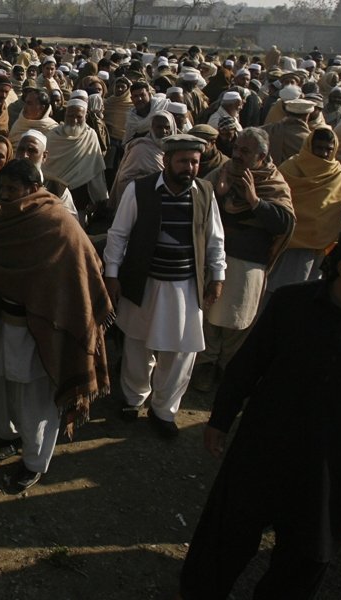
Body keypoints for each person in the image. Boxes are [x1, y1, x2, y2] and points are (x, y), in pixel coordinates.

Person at [180, 224, 341, 600]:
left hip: (336, 466)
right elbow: (249, 364)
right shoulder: (292, 304)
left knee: (305, 559)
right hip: (264, 447)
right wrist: (221, 419)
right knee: (225, 540)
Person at [0, 159, 111, 492]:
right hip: (7, 323)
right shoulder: (3, 221)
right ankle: (11, 437)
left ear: (33, 189)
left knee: (38, 399)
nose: (5, 196)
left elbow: (81, 275)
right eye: (3, 189)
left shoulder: (57, 224)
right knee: (8, 387)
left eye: (13, 190)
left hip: (46, 328)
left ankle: (34, 463)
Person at [103, 134, 226, 439]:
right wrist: (112, 274)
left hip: (185, 287)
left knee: (180, 352)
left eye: (195, 162)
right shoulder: (140, 190)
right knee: (137, 343)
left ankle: (164, 410)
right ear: (168, 160)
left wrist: (218, 276)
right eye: (183, 161)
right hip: (144, 282)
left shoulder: (204, 193)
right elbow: (118, 235)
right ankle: (134, 399)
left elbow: (215, 239)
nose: (189, 167)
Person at [193, 128, 294, 391]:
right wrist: (219, 191)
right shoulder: (223, 172)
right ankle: (206, 364)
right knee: (208, 314)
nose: (237, 155)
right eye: (236, 148)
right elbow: (197, 203)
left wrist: (255, 201)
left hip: (249, 261)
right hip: (215, 256)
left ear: (261, 156)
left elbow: (284, 223)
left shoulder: (273, 182)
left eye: (245, 151)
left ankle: (229, 368)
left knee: (238, 320)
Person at [269, 127, 341, 291]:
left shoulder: (339, 175)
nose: (324, 154)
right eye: (319, 148)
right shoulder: (290, 168)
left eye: (328, 149)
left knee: (305, 290)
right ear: (309, 146)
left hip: (316, 247)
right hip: (287, 242)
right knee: (277, 290)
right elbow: (274, 199)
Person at [43, 99, 109, 218]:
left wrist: (98, 196)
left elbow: (95, 168)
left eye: (79, 117)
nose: (74, 120)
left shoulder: (90, 135)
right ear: (65, 114)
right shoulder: (52, 136)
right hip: (54, 191)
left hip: (80, 191)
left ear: (86, 116)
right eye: (70, 116)